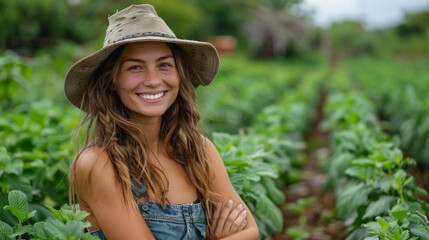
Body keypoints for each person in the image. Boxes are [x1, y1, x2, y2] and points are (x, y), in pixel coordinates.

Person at [65, 4, 259, 240]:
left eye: (164, 65)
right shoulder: (100, 165)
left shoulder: (198, 151)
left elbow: (251, 232)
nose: (153, 80)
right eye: (135, 67)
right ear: (111, 81)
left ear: (179, 74)